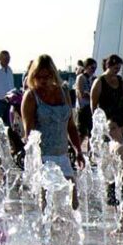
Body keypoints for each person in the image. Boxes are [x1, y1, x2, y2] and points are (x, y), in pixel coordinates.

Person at [20, 55, 79, 183]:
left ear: (53, 74)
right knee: (46, 201)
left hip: (63, 155)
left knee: (72, 201)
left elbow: (71, 126)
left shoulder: (63, 92)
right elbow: (28, 133)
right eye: (38, 77)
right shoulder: (31, 96)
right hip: (43, 157)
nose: (43, 80)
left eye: (46, 76)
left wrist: (78, 150)